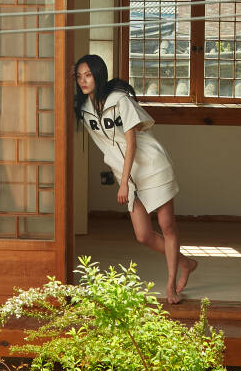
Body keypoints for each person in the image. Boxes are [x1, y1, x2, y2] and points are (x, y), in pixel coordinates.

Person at [74, 54, 197, 304]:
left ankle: (170, 284)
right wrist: (124, 179)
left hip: (151, 166)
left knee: (167, 226)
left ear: (99, 75)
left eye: (88, 75)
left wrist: (122, 183)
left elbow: (131, 142)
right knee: (143, 235)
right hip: (126, 174)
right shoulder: (84, 109)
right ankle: (185, 263)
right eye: (79, 76)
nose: (83, 81)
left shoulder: (119, 100)